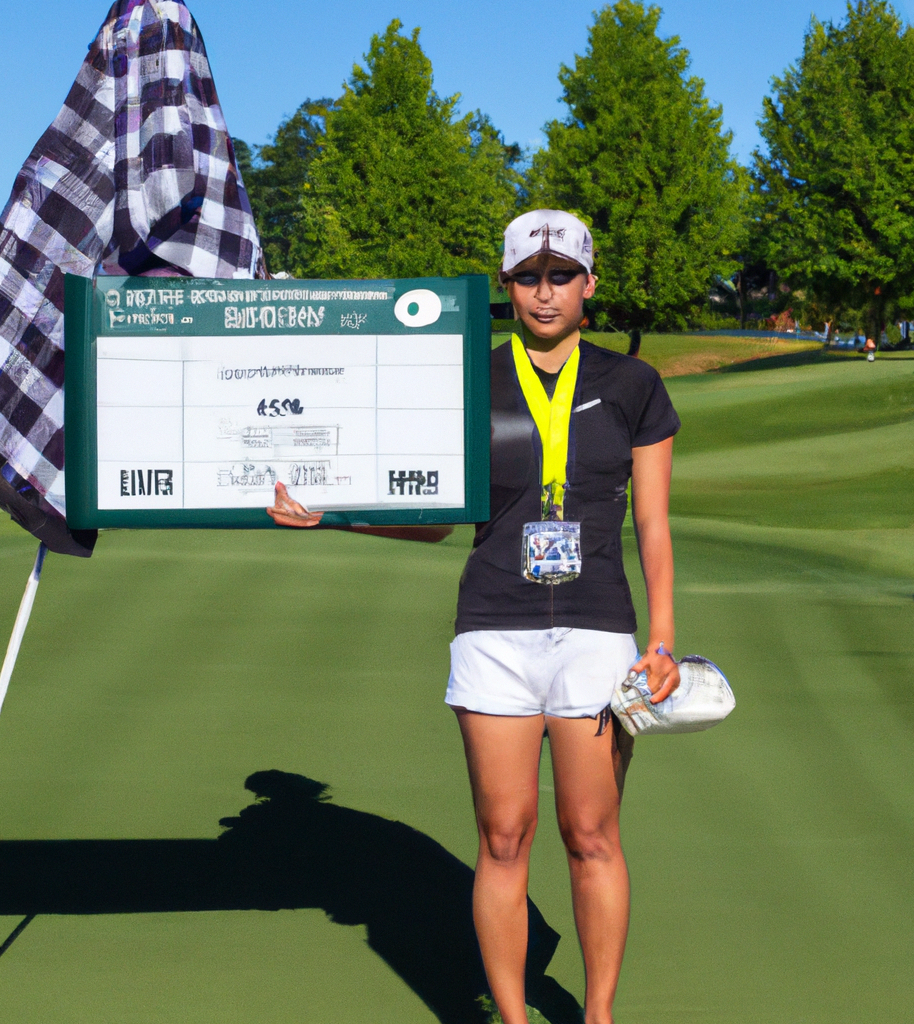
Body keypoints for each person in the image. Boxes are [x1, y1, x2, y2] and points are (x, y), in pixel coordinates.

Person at [268, 209, 681, 1024]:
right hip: (493, 627)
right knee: (502, 836)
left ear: (590, 283)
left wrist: (663, 641)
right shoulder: (468, 382)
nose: (546, 292)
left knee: (591, 834)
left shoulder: (635, 386)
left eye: (562, 275)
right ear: (506, 286)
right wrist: (337, 514)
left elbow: (656, 527)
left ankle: (599, 1016)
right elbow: (434, 515)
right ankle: (514, 1018)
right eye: (529, 277)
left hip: (598, 629)